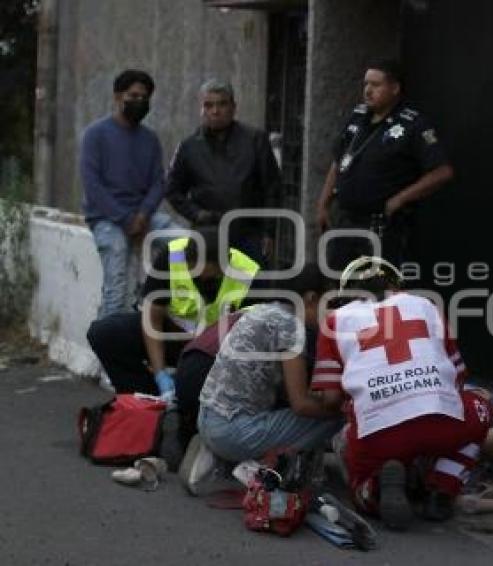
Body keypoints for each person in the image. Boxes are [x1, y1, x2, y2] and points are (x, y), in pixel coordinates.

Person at [310, 256, 492, 530]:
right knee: (481, 405)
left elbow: (332, 399)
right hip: (441, 423)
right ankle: (442, 489)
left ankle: (375, 488)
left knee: (358, 487)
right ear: (397, 285)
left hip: (377, 435)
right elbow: (457, 377)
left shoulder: (335, 321)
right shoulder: (426, 306)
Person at [181, 264, 341, 495]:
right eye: (330, 303)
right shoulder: (290, 327)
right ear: (311, 297)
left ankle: (218, 459)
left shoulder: (262, 311)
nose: (331, 313)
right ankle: (254, 467)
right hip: (233, 431)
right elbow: (300, 404)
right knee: (335, 417)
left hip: (206, 418)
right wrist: (342, 408)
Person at [86, 227, 260, 397]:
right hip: (172, 336)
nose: (190, 270)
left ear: (218, 266)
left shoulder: (248, 274)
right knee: (104, 333)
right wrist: (160, 374)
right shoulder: (173, 256)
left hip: (212, 352)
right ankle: (146, 400)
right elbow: (152, 319)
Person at [315, 60, 454, 270]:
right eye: (366, 84)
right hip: (345, 221)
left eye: (376, 85)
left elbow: (442, 172)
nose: (368, 91)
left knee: (376, 291)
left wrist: (399, 199)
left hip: (381, 226)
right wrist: (323, 203)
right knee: (338, 286)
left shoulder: (412, 124)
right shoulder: (358, 116)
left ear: (395, 88)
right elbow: (339, 161)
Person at [80, 69, 177, 317]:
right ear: (117, 96)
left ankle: (162, 305)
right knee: (117, 286)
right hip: (106, 219)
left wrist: (143, 216)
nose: (139, 102)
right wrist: (125, 220)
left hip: (144, 217)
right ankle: (106, 350)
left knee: (186, 243)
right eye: (133, 96)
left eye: (144, 97)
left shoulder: (150, 139)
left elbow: (158, 182)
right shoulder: (95, 135)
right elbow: (93, 186)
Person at [165, 79, 282, 264]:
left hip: (249, 233)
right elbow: (172, 190)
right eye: (208, 105)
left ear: (233, 107)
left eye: (222, 104)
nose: (215, 111)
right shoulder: (189, 147)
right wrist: (196, 214)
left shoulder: (255, 140)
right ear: (201, 109)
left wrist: (269, 232)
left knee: (252, 290)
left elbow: (272, 188)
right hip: (207, 235)